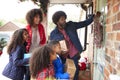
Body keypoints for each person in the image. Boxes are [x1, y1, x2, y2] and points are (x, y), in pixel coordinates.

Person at [50, 11, 94, 80]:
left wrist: (92, 18)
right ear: (57, 22)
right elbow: (52, 47)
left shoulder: (71, 25)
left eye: (64, 19)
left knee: (75, 72)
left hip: (74, 55)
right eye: (62, 19)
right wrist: (60, 52)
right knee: (65, 73)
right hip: (63, 57)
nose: (64, 21)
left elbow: (83, 23)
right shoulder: (53, 33)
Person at [25, 8, 46, 80]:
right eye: (36, 17)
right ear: (31, 17)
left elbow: (43, 40)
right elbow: (24, 43)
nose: (38, 19)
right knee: (28, 73)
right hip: (28, 54)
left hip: (38, 53)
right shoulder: (27, 28)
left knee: (37, 74)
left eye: (39, 17)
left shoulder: (41, 27)